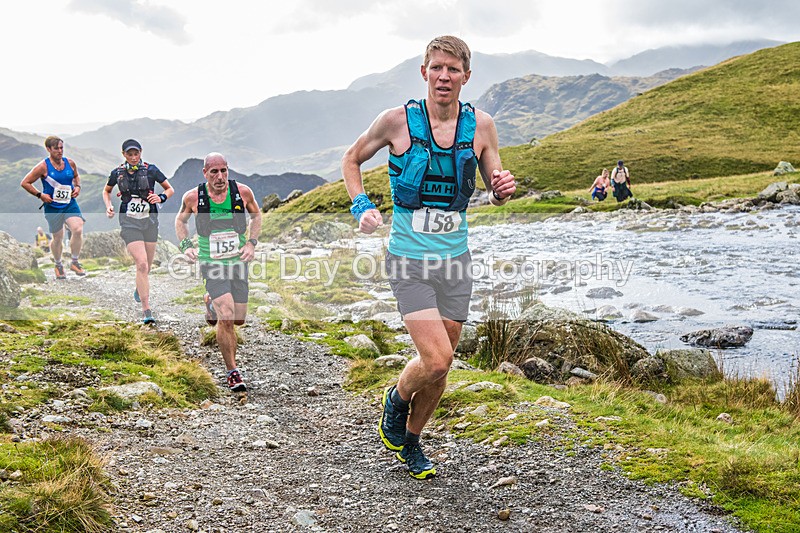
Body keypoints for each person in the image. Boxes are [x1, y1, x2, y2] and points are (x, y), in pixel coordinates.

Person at [342, 35, 516, 479]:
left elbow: (495, 186)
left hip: (456, 263)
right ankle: (396, 400)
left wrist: (500, 191)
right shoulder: (396, 121)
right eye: (437, 68)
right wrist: (361, 205)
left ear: (466, 77)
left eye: (453, 70)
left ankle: (413, 443)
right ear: (424, 72)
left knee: (440, 370)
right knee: (436, 359)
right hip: (409, 261)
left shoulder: (482, 126)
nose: (444, 76)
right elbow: (351, 159)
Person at [175, 152, 262, 393]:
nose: (220, 176)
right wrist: (186, 246)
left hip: (237, 261)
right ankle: (232, 371)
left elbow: (256, 215)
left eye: (224, 170)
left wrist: (251, 243)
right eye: (214, 172)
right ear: (205, 173)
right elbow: (180, 222)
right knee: (226, 315)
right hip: (211, 263)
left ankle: (210, 303)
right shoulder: (193, 197)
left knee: (239, 318)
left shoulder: (242, 193)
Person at [103, 139, 174, 325]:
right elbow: (107, 190)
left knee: (147, 266)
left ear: (141, 152)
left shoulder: (151, 170)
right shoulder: (117, 173)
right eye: (129, 154)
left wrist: (161, 197)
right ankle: (146, 309)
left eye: (136, 153)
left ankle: (139, 287)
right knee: (141, 264)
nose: (133, 157)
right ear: (124, 154)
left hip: (149, 221)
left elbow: (170, 188)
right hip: (129, 222)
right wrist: (109, 205)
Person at [20, 136, 86, 279]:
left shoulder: (70, 163)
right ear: (49, 149)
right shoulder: (43, 166)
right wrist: (40, 195)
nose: (60, 151)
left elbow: (76, 177)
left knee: (78, 228)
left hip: (69, 203)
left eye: (61, 148)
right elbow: (25, 183)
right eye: (56, 148)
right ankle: (58, 265)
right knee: (58, 238)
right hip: (52, 207)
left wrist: (78, 187)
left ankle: (74, 262)